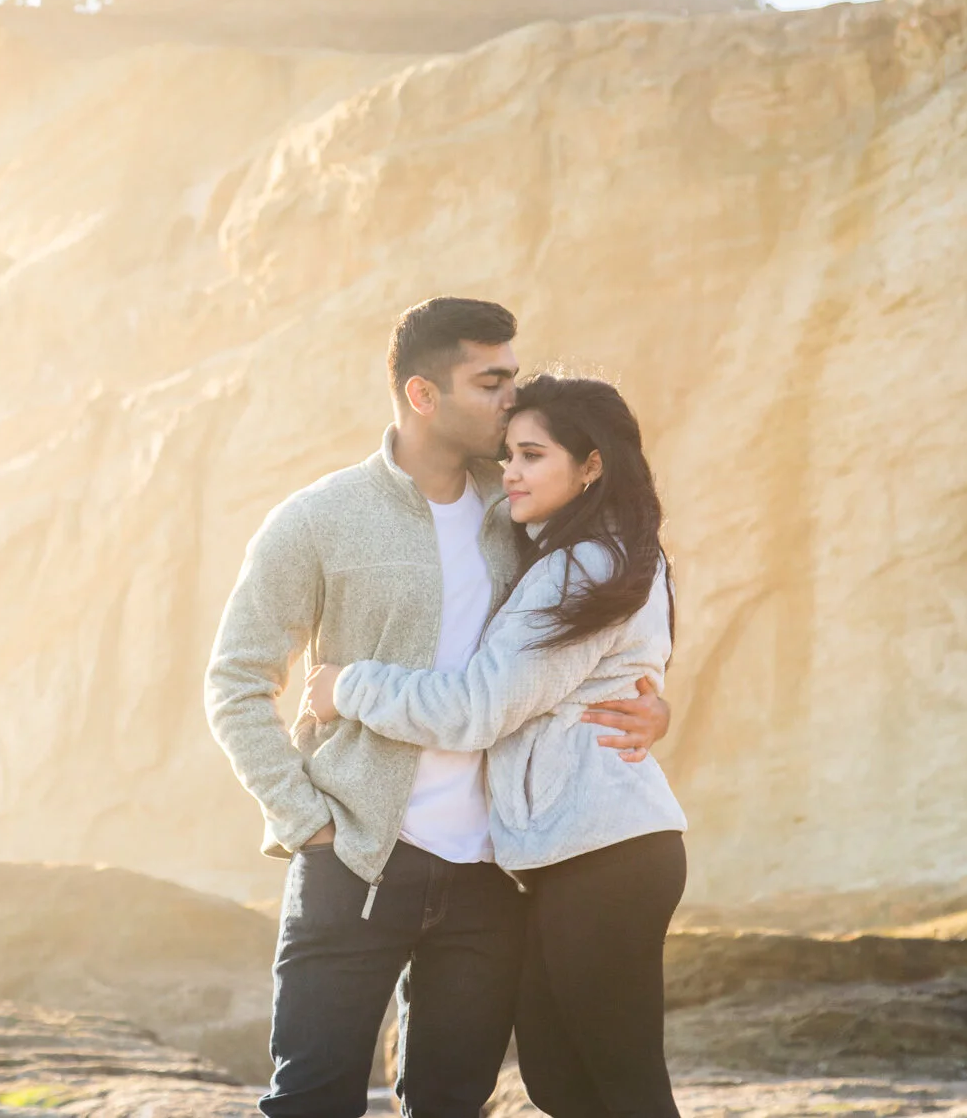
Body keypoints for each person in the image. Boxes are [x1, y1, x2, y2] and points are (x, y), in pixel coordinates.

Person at [203, 299, 672, 1118]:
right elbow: (235, 681)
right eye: (490, 382)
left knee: (453, 1105)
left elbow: (592, 628)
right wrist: (304, 818)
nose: (509, 400)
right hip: (354, 856)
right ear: (424, 395)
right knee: (309, 1101)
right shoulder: (318, 518)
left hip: (490, 872)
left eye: (511, 379)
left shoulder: (524, 509)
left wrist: (649, 700)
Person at [301, 372, 688, 1118]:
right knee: (561, 1079)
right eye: (507, 454)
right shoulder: (601, 554)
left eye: (532, 455)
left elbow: (478, 708)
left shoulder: (582, 566)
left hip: (606, 853)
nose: (509, 471)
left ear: (591, 465)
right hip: (579, 851)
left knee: (623, 1086)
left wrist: (347, 686)